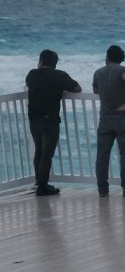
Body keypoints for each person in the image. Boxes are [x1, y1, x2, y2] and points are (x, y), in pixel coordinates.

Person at [25, 49, 82, 196]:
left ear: (41, 61)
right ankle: (43, 186)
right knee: (46, 154)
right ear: (55, 64)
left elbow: (30, 84)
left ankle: (39, 182)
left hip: (34, 119)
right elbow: (77, 88)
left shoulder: (32, 75)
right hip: (49, 120)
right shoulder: (59, 76)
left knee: (39, 151)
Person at [93, 44, 125, 197]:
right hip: (122, 117)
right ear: (121, 58)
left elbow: (95, 90)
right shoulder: (122, 70)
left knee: (102, 155)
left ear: (107, 57)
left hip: (105, 118)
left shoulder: (98, 72)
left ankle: (102, 189)